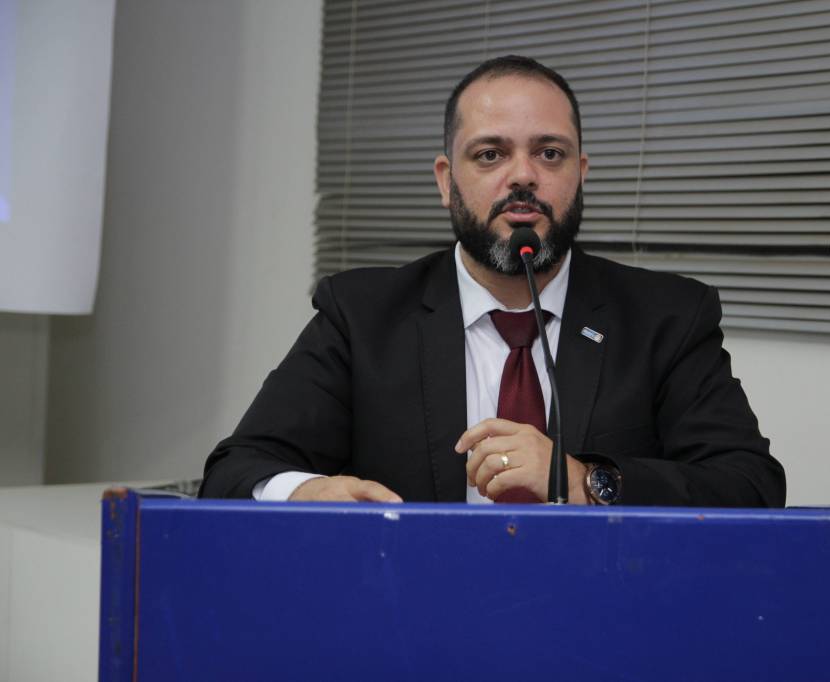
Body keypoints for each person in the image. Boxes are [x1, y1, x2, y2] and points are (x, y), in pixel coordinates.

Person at [199, 55, 785, 507]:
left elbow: (751, 484)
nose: (523, 176)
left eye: (550, 154)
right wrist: (307, 492)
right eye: (489, 155)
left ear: (580, 174)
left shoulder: (667, 317)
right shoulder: (362, 315)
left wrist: (586, 480)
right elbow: (236, 470)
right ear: (446, 180)